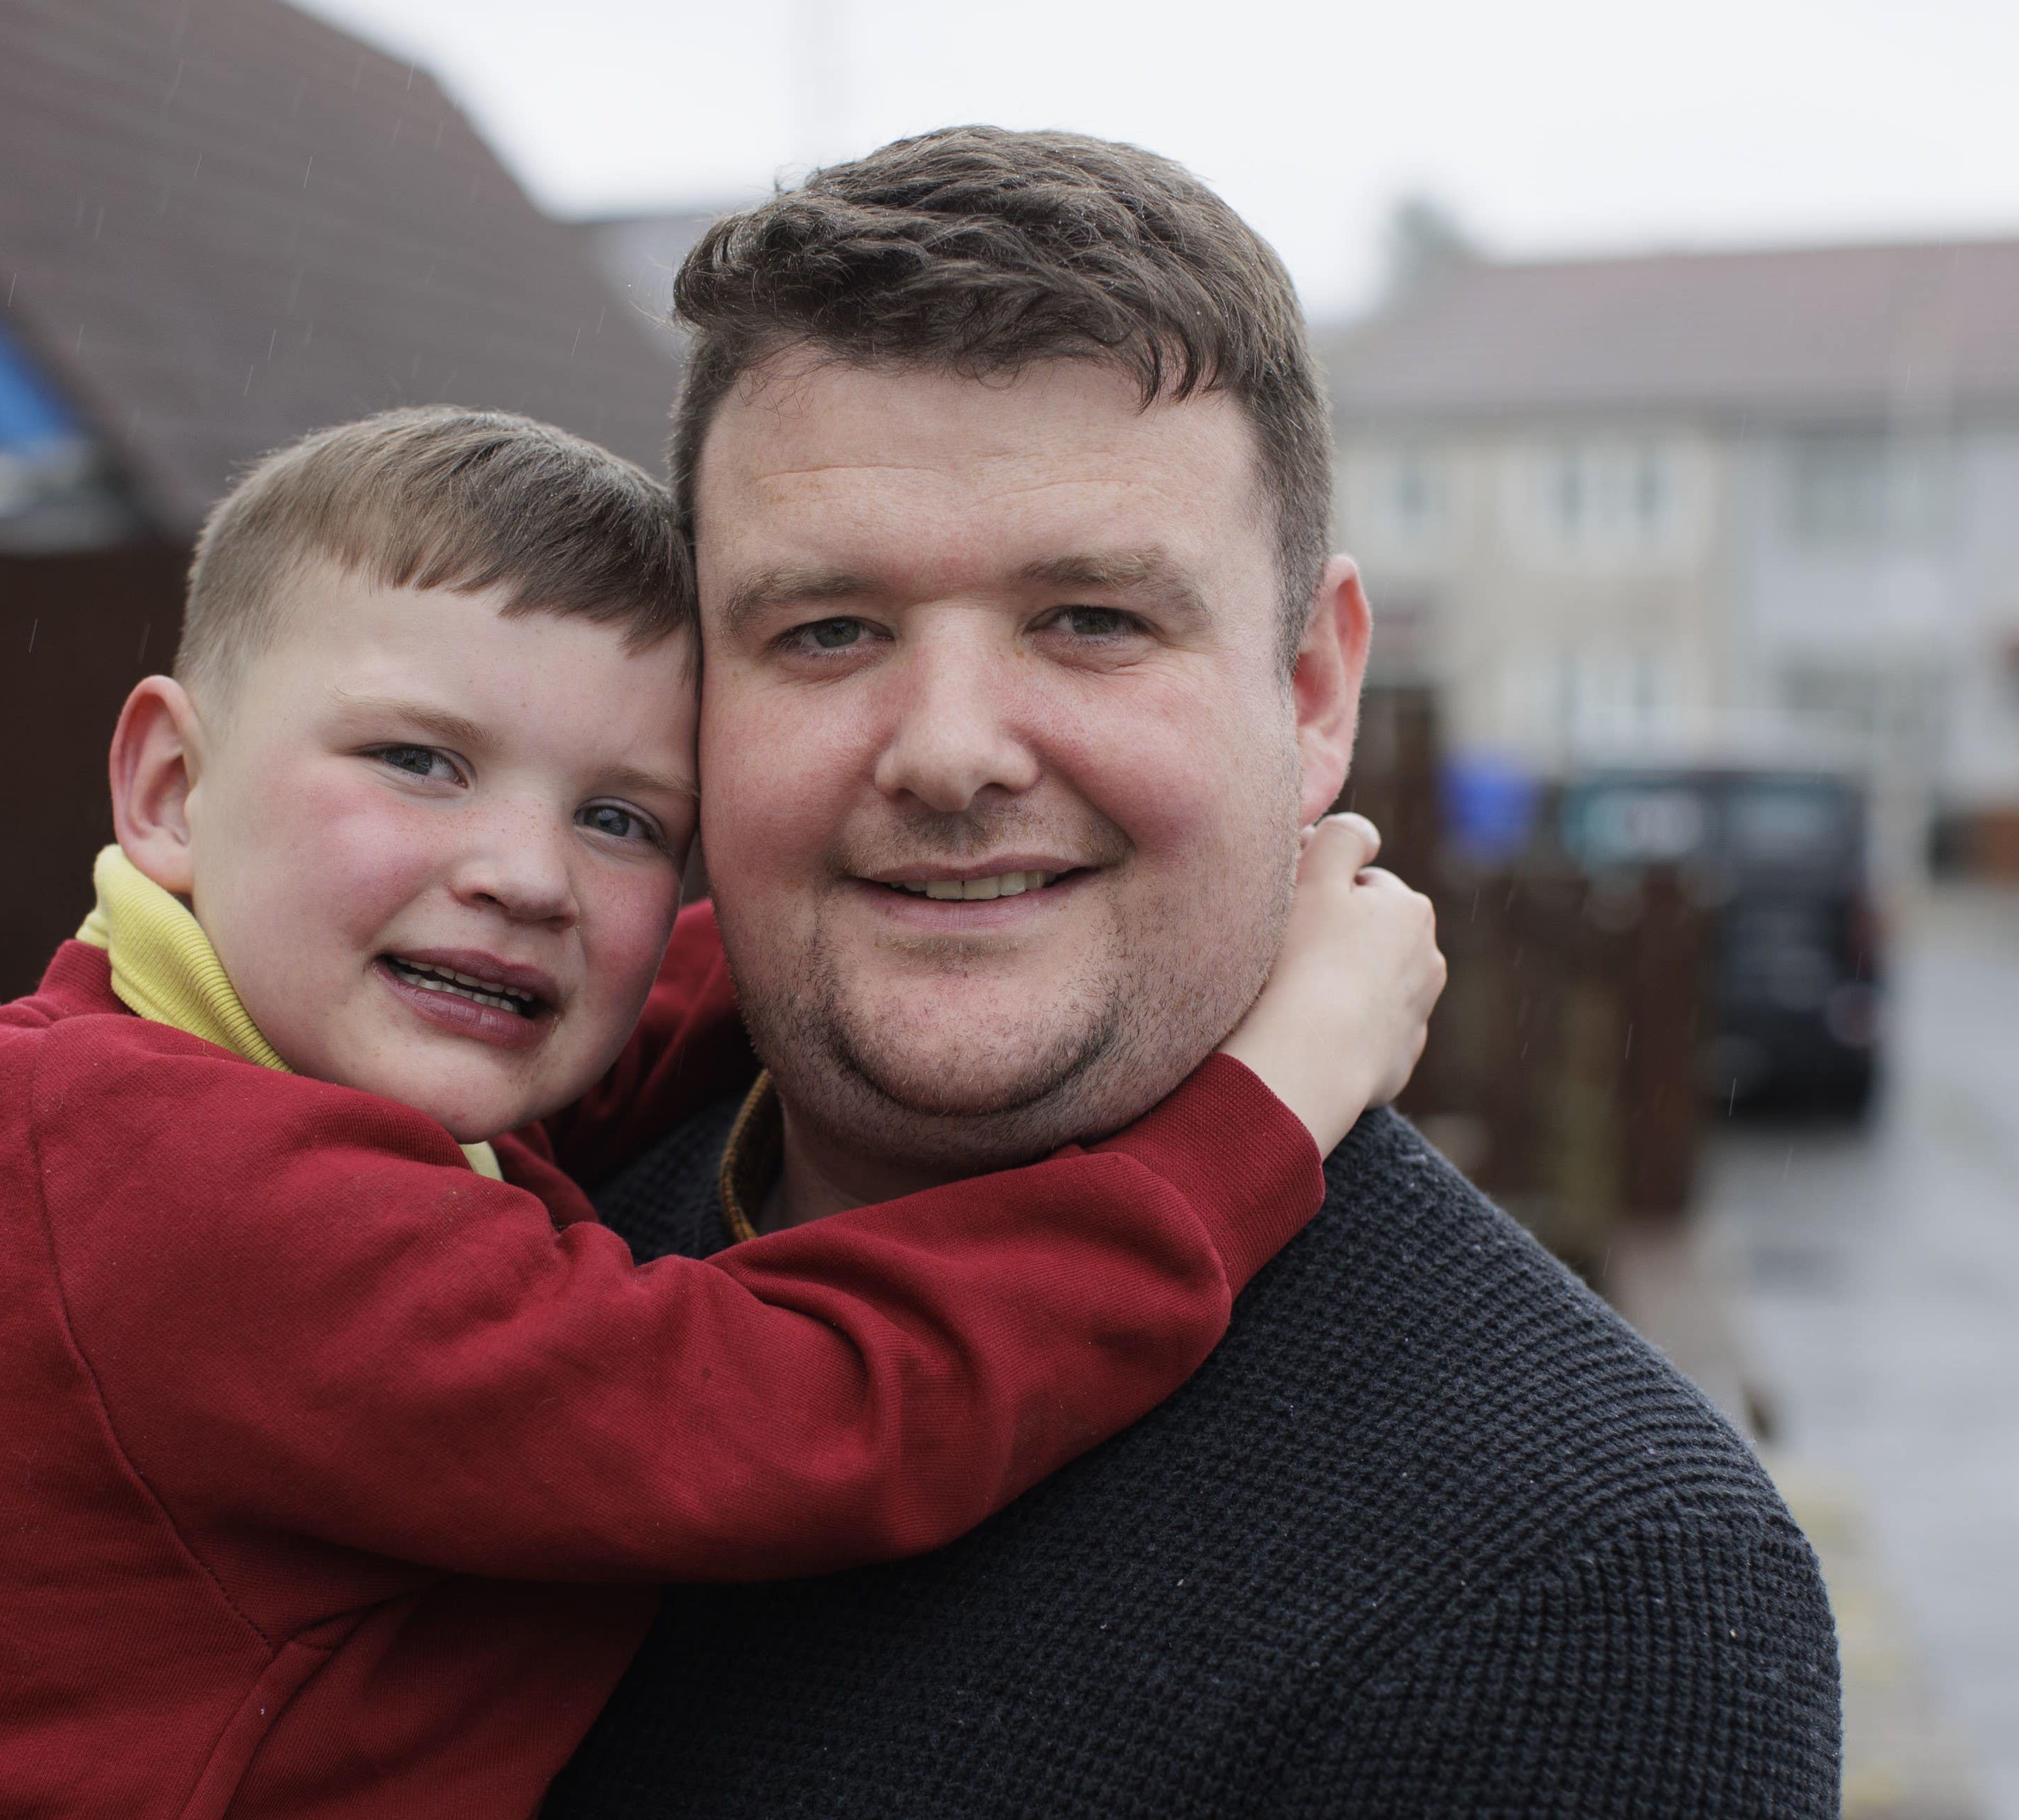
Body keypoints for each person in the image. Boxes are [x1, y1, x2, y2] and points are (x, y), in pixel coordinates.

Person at [0, 406, 1445, 1819]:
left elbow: (621, 1039)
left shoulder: (169, 1058)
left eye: (625, 821)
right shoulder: (177, 1190)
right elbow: (792, 1412)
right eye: (418, 760)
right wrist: (1263, 1104)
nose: (522, 876)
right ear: (172, 789)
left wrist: (889, 927)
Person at [544, 129, 1846, 1817]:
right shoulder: (499, 1222)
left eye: (1089, 617)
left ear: (1311, 689)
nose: (948, 754)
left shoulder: (1581, 1588)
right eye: (826, 630)